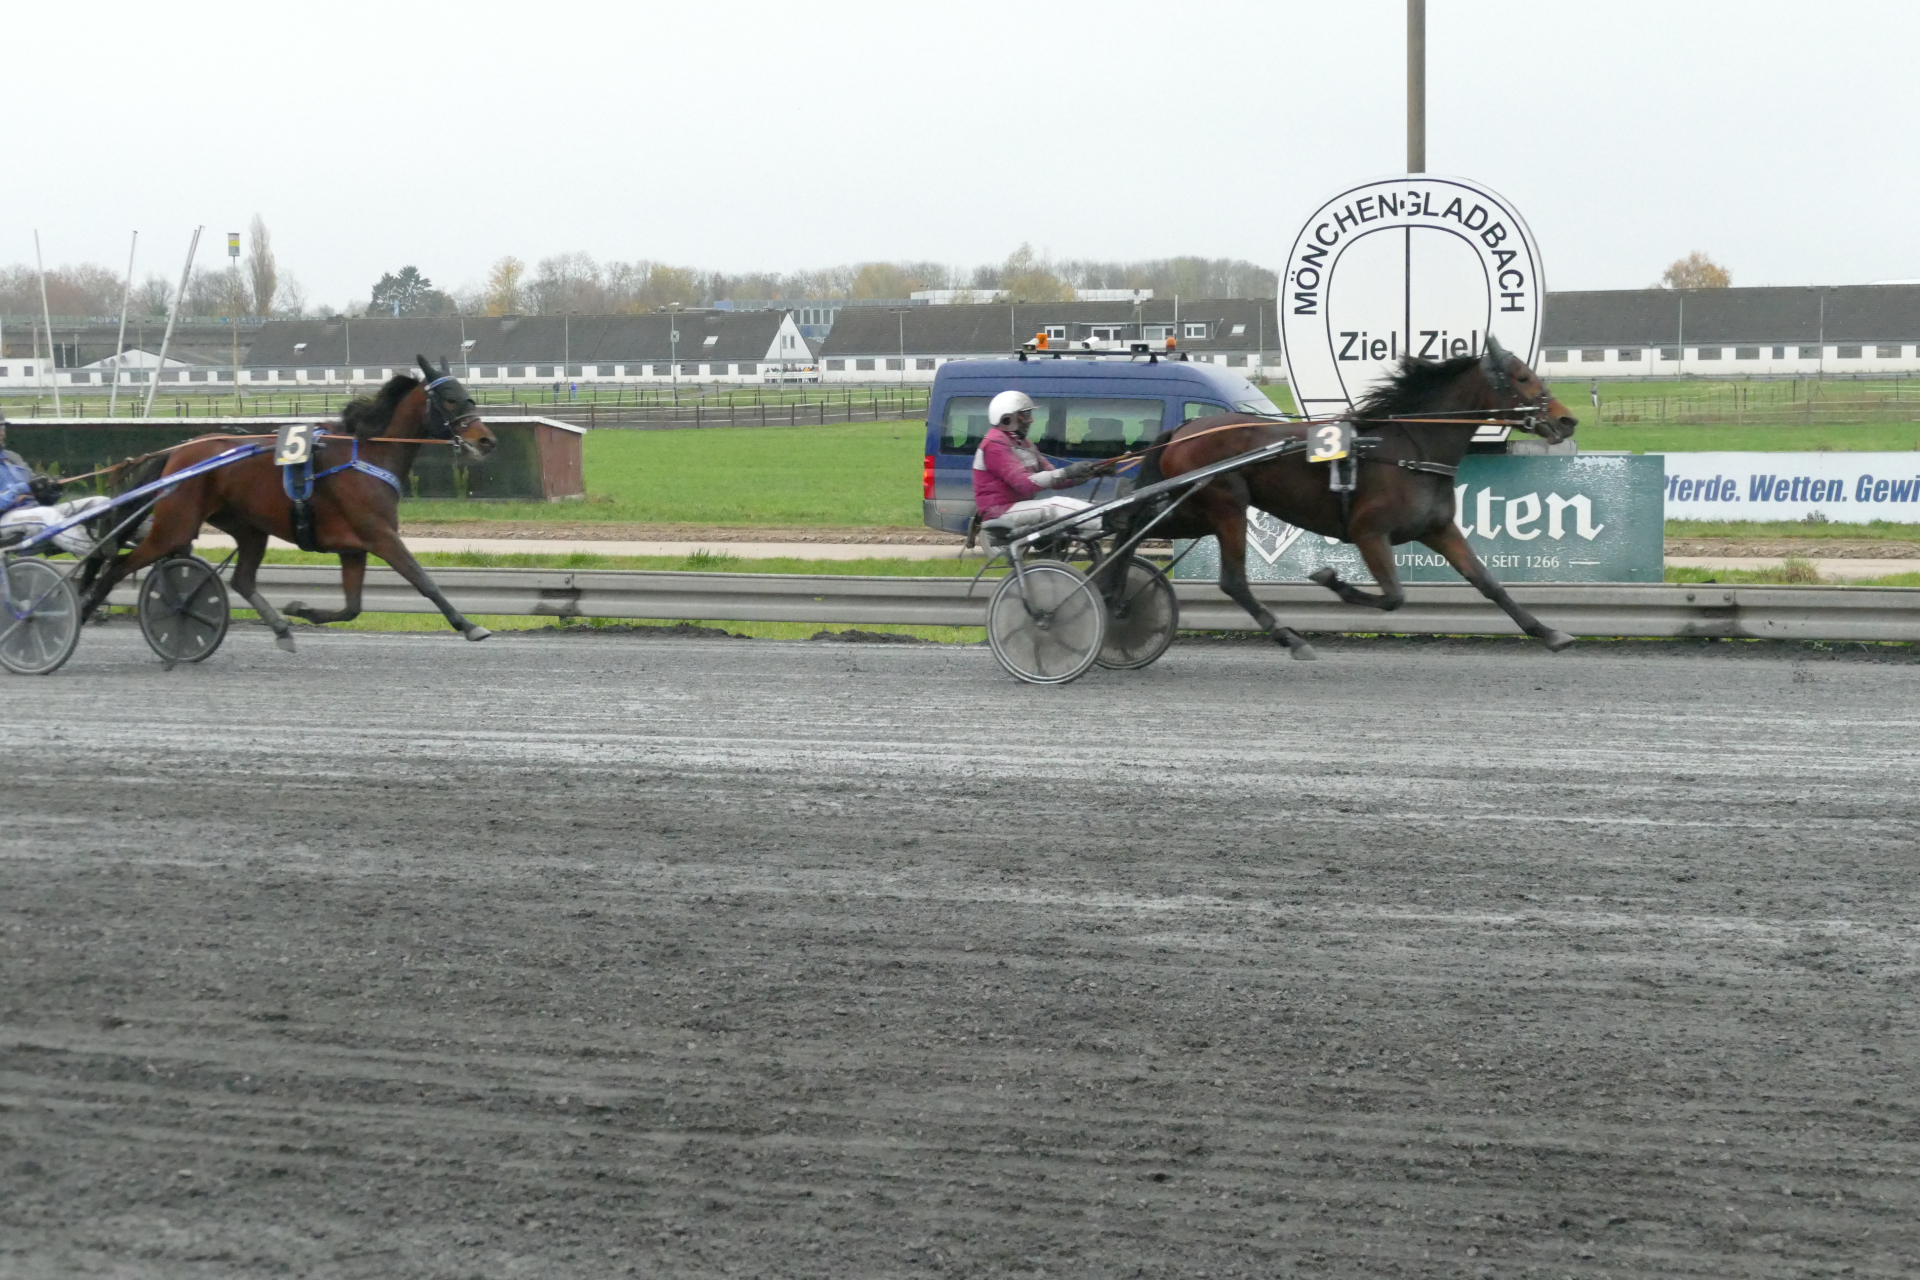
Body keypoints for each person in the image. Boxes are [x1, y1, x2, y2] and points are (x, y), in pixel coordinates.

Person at [971, 390, 1116, 537]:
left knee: (1068, 509)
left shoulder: (1025, 443)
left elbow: (1055, 479)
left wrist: (1092, 473)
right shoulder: (995, 444)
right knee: (1054, 506)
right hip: (1000, 510)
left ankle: (1108, 519)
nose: (1031, 420)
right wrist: (1067, 472)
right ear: (1007, 418)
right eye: (1026, 414)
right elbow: (1024, 484)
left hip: (1017, 506)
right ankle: (1109, 521)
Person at [0, 419, 111, 556]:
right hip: (5, 519)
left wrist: (49, 488)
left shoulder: (12, 458)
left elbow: (40, 496)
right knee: (47, 515)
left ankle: (117, 540)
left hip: (32, 510)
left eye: (2, 428)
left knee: (100, 502)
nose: (2, 433)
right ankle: (97, 550)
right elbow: (22, 490)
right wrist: (22, 488)